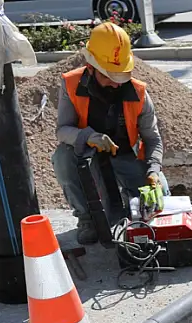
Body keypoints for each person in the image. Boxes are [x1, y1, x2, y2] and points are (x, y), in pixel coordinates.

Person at [52, 21, 169, 245]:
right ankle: (87, 219)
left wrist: (153, 169)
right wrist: (88, 136)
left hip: (125, 156)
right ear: (91, 66)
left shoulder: (138, 93)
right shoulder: (71, 84)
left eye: (120, 76)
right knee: (63, 157)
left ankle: (131, 205)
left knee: (160, 196)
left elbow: (152, 138)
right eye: (108, 76)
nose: (115, 83)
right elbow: (62, 131)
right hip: (88, 156)